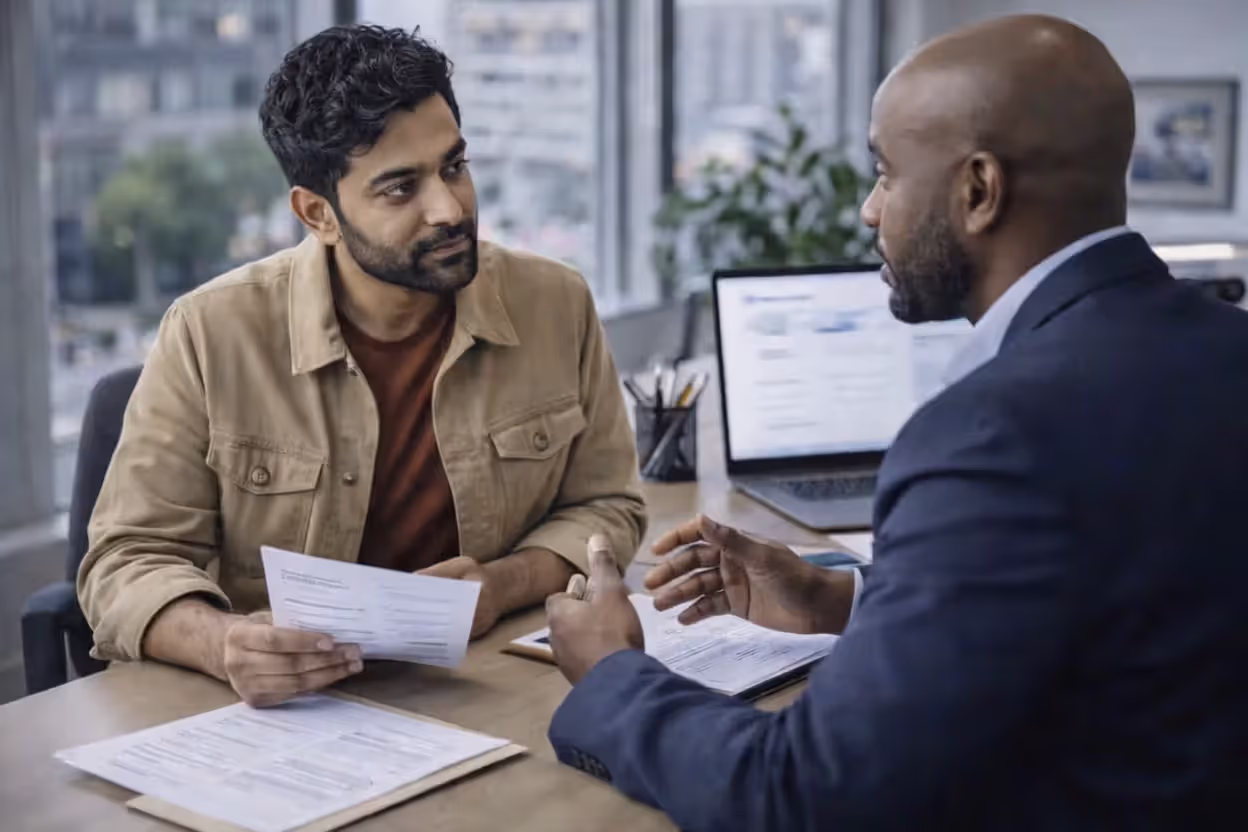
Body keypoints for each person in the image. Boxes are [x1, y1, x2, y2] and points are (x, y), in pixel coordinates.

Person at [545, 14, 1248, 830]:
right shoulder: (1225, 348)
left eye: (885, 175)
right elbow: (1136, 590)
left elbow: (807, 799)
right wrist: (843, 601)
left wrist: (611, 673)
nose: (871, 211)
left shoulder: (990, 436)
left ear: (978, 191)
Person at [78, 25, 645, 707]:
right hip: (284, 715)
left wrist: (505, 585)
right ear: (318, 213)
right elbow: (123, 563)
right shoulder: (208, 333)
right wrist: (222, 642)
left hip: (486, 685)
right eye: (401, 188)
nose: (450, 208)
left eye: (454, 167)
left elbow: (607, 504)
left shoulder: (556, 303)